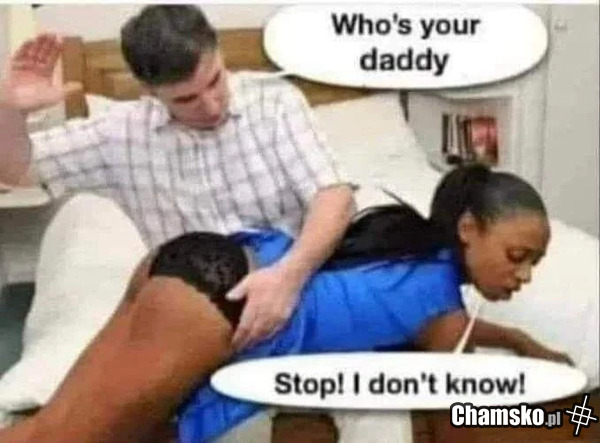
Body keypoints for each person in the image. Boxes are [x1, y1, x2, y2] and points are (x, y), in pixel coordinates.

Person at [0, 165, 573, 443]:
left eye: (534, 264)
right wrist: (573, 415)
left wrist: (522, 341)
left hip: (202, 260)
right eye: (517, 255)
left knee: (49, 431)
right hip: (221, 304)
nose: (523, 276)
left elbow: (447, 329)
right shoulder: (442, 312)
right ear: (468, 229)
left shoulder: (403, 243)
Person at [0, 5, 355, 352]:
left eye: (215, 81)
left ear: (219, 53)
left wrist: (287, 280)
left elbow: (334, 197)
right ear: (149, 91)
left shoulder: (275, 102)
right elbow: (19, 171)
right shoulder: (119, 133)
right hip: (198, 308)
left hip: (294, 278)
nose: (211, 106)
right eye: (186, 99)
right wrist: (10, 111)